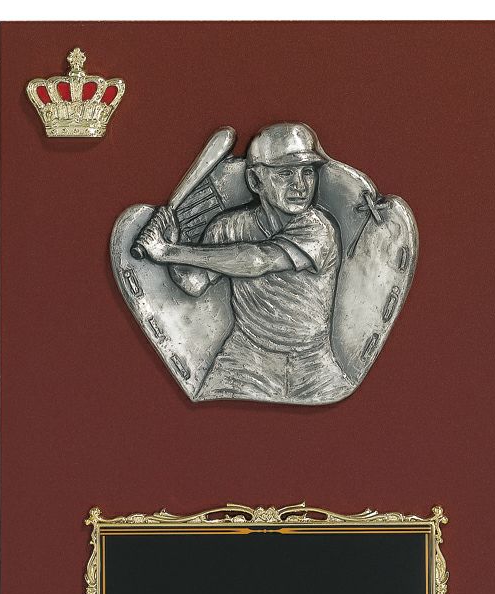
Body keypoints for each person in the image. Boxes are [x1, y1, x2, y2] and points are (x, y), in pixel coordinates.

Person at [135, 122, 354, 403]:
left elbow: (258, 260)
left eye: (307, 172)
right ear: (255, 181)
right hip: (244, 356)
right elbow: (194, 283)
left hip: (310, 365)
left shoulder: (319, 229)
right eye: (285, 173)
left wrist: (167, 252)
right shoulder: (228, 227)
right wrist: (173, 247)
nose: (300, 185)